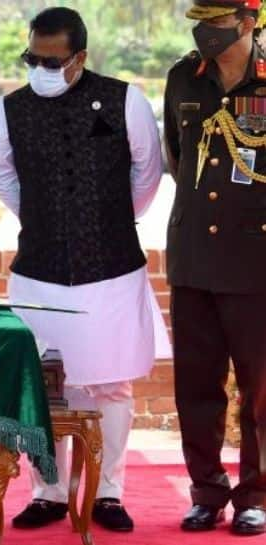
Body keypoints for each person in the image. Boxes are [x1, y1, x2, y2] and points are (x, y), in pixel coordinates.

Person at [0, 6, 170, 534]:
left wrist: (109, 219)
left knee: (110, 386)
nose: (40, 67)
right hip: (38, 269)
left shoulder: (123, 99)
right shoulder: (7, 110)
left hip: (112, 267)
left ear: (80, 57)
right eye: (32, 58)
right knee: (43, 386)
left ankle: (108, 492)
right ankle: (47, 491)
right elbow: (2, 176)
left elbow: (148, 171)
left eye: (53, 60)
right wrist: (45, 218)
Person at [164, 0, 266, 535]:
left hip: (257, 262)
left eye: (216, 23)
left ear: (248, 23)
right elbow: (176, 159)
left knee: (260, 391)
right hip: (195, 261)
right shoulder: (184, 76)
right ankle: (207, 492)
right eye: (198, 23)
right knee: (197, 388)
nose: (205, 32)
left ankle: (256, 494)